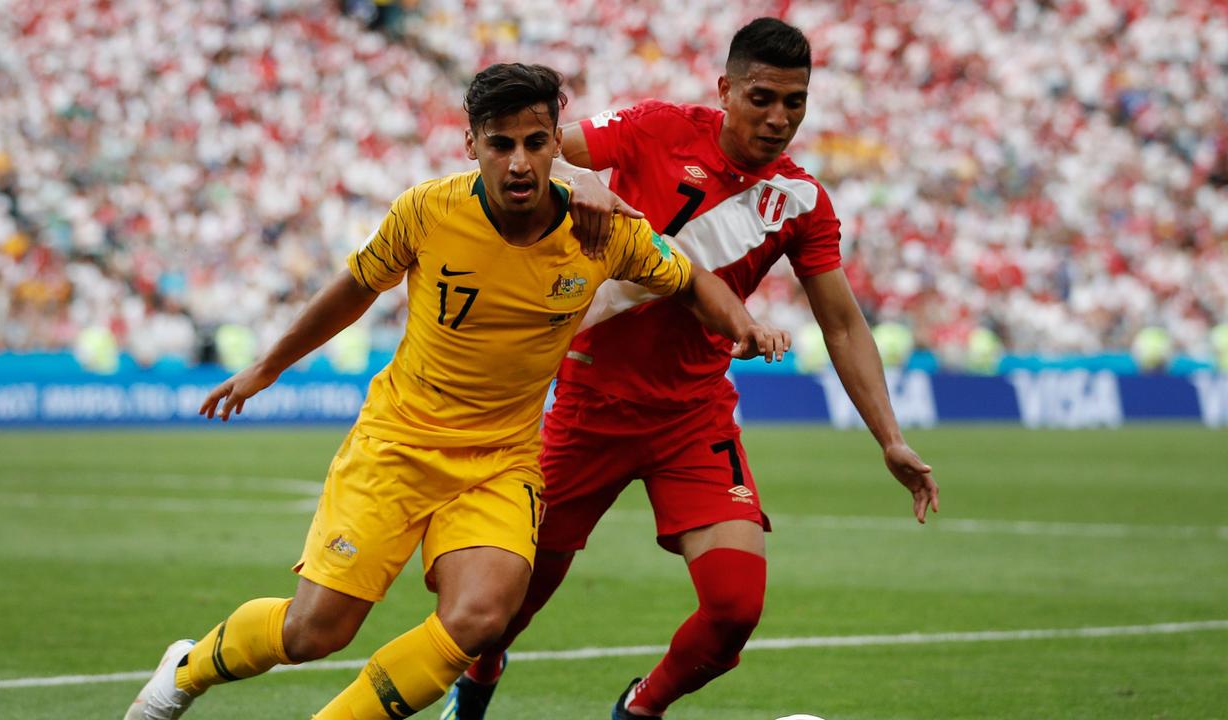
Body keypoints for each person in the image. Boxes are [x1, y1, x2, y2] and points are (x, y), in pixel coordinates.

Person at [123, 62, 789, 720]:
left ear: (558, 144)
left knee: (479, 616)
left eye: (535, 143)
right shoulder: (426, 212)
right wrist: (268, 367)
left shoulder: (603, 233)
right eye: (501, 144)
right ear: (471, 146)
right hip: (397, 444)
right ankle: (188, 668)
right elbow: (356, 287)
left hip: (499, 462)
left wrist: (743, 324)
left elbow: (691, 279)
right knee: (314, 633)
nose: (520, 162)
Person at [444, 18, 939, 720]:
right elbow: (540, 152)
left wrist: (889, 436)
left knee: (735, 609)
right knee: (502, 608)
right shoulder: (656, 128)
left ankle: (641, 709)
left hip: (693, 417)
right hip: (589, 408)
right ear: (726, 90)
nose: (778, 118)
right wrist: (582, 180)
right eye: (762, 97)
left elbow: (842, 323)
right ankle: (481, 675)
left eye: (794, 102)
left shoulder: (800, 201)